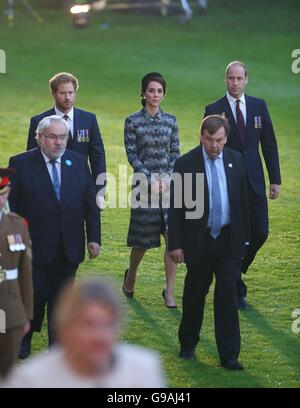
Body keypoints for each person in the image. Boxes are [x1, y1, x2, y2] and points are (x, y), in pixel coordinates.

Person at [8, 115, 101, 359]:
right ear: (39, 138)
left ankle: (57, 350)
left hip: (69, 246)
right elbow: (11, 210)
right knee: (35, 296)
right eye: (52, 137)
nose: (59, 143)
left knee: (62, 302)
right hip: (33, 247)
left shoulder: (79, 162)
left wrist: (94, 237)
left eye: (63, 137)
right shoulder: (19, 164)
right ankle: (25, 336)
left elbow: (90, 203)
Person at [168, 115, 250, 370]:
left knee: (227, 299)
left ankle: (229, 356)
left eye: (219, 140)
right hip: (198, 241)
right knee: (195, 295)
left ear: (226, 138)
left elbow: (243, 204)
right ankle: (188, 344)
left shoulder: (236, 160)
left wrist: (244, 242)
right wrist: (175, 244)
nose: (214, 145)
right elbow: (176, 208)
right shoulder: (185, 163)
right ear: (201, 136)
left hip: (228, 241)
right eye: (210, 140)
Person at [204, 61, 281, 309]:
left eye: (239, 78)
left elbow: (268, 144)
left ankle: (236, 268)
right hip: (227, 184)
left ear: (246, 80)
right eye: (231, 78)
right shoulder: (214, 108)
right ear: (225, 79)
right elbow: (208, 148)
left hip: (256, 181)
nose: (235, 83)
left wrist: (275, 179)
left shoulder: (259, 106)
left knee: (260, 232)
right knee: (235, 236)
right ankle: (235, 288)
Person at [3, 279, 166, 388]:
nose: (99, 336)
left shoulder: (144, 368)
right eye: (89, 324)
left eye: (108, 324)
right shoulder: (31, 380)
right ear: (65, 328)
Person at [123, 72, 180, 308]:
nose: (155, 95)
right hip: (143, 189)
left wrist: (166, 179)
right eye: (151, 91)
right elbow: (132, 155)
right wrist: (149, 179)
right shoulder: (132, 121)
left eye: (159, 91)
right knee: (142, 241)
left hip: (167, 189)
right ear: (143, 93)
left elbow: (175, 153)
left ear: (163, 94)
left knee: (172, 239)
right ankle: (131, 274)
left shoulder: (171, 121)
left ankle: (169, 291)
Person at [26, 72, 106, 195]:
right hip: (49, 186)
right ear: (53, 93)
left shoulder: (89, 119)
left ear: (75, 93)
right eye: (62, 93)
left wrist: (99, 189)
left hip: (82, 185)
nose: (67, 97)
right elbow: (32, 158)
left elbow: (97, 156)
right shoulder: (39, 121)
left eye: (70, 92)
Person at [0, 169, 33, 378]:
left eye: (2, 193)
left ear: (7, 193)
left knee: (7, 368)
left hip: (9, 307)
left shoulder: (18, 225)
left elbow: (25, 274)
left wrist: (27, 314)